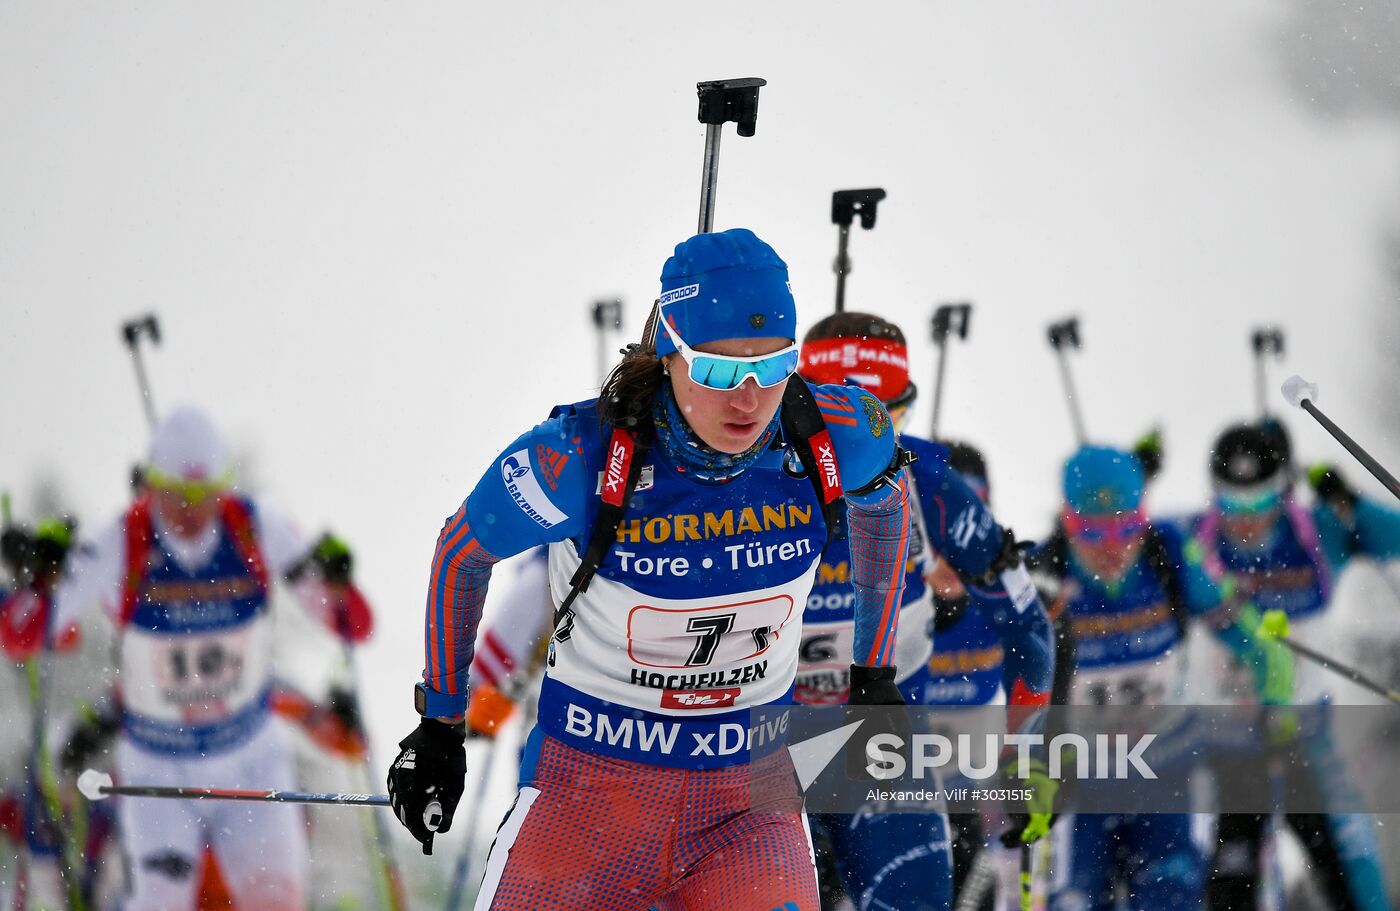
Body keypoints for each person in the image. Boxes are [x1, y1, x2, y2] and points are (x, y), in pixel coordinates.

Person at [387, 228, 916, 911]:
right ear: (669, 351)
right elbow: (463, 550)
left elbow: (887, 505)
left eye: (774, 365)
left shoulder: (839, 431)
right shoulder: (575, 457)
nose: (748, 399)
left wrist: (872, 674)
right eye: (720, 370)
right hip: (587, 797)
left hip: (747, 802)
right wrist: (441, 721)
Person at [44, 407, 374, 911]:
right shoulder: (122, 539)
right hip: (160, 768)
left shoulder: (254, 525)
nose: (192, 509)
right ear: (152, 485)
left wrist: (336, 583)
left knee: (278, 901)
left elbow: (352, 623)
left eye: (207, 495)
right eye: (176, 494)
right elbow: (36, 629)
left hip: (249, 760)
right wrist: (38, 579)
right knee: (161, 898)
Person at [792, 312, 1055, 911]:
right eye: (838, 424)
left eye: (890, 421)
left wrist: (1023, 757)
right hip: (761, 751)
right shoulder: (738, 476)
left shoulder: (929, 485)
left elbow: (1029, 625)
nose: (869, 452)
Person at [1029, 444, 1293, 911]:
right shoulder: (1043, 579)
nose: (1112, 546)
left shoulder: (1169, 555)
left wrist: (1276, 706)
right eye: (1092, 531)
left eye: (1126, 527)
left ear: (1143, 518)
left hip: (1166, 779)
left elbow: (1259, 644)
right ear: (1067, 522)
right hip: (1081, 789)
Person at [1195, 420, 1398, 911]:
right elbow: (1122, 540)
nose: (1244, 520)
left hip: (1306, 736)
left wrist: (1349, 503)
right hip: (1229, 745)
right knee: (1226, 882)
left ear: (1282, 491)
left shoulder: (1316, 531)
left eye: (1259, 502)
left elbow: (1391, 534)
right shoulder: (1195, 542)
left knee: (1351, 870)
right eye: (1231, 503)